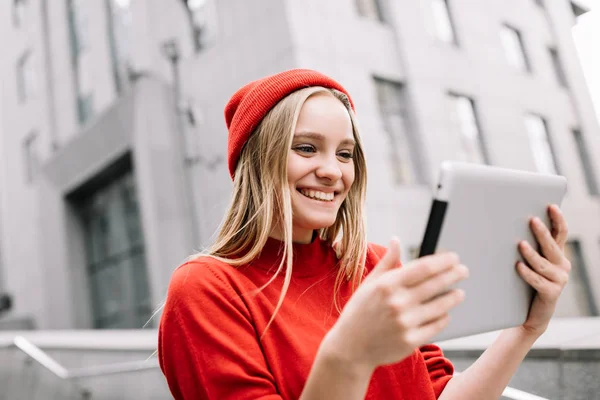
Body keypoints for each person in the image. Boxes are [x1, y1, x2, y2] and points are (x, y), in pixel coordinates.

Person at [158, 69, 572, 399]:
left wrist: (525, 329)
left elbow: (439, 396)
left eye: (345, 153)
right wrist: (348, 355)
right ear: (256, 160)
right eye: (305, 148)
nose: (333, 171)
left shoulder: (374, 267)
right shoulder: (205, 289)